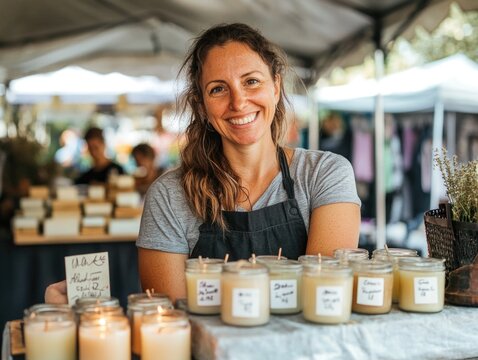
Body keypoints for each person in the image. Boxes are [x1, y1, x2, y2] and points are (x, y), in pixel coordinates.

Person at [44, 23, 361, 305]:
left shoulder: (324, 174)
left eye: (251, 81)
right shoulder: (170, 196)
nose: (238, 102)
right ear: (201, 105)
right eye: (218, 89)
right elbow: (170, 321)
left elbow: (324, 296)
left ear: (276, 87)